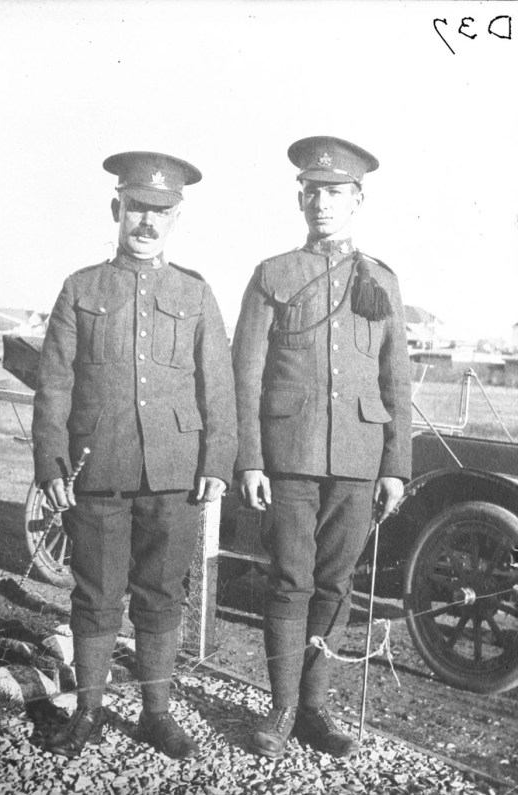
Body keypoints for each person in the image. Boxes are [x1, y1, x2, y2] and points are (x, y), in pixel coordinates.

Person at [32, 150, 237, 760]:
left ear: (177, 218)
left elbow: (217, 387)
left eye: (161, 212)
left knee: (162, 593)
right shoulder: (81, 288)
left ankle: (155, 713)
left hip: (175, 471)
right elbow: (55, 387)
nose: (148, 222)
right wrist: (51, 465)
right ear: (117, 207)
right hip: (98, 467)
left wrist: (217, 464)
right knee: (95, 593)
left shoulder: (195, 294)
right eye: (138, 209)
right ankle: (90, 711)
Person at [232, 136, 412, 760]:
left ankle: (314, 708)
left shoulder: (380, 279)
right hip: (289, 455)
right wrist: (250, 458)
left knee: (336, 584)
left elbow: (396, 379)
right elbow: (245, 374)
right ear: (299, 198)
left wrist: (396, 466)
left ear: (358, 200)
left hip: (360, 460)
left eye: (335, 192)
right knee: (289, 580)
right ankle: (280, 709)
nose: (323, 203)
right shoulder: (272, 275)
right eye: (313, 192)